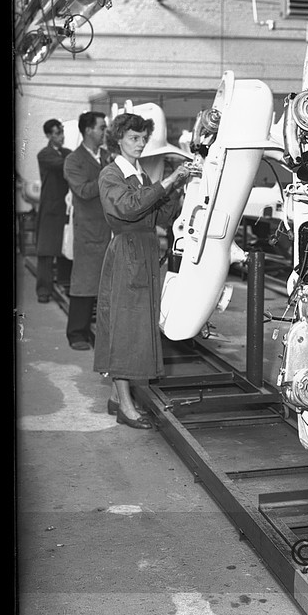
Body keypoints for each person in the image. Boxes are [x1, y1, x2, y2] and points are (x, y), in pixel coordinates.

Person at [93, 112, 190, 429]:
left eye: (142, 138)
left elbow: (159, 215)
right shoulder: (111, 174)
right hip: (127, 254)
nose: (140, 144)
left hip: (144, 255)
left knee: (135, 325)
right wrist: (168, 181)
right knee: (126, 328)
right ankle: (126, 406)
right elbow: (128, 207)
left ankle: (115, 396)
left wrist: (179, 185)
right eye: (134, 138)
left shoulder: (139, 175)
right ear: (118, 139)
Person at [62, 111, 111, 350]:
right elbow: (82, 191)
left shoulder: (106, 156)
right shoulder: (74, 160)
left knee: (106, 283)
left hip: (109, 228)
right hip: (88, 231)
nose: (105, 132)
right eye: (102, 127)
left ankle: (104, 333)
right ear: (88, 130)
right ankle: (76, 333)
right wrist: (108, 174)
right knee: (84, 282)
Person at [35, 119, 72, 303]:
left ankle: (64, 284)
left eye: (62, 132)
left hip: (65, 207)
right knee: (46, 251)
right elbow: (64, 165)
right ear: (49, 135)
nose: (61, 136)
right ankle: (43, 290)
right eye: (57, 133)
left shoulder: (67, 153)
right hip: (50, 208)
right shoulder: (45, 154)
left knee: (65, 247)